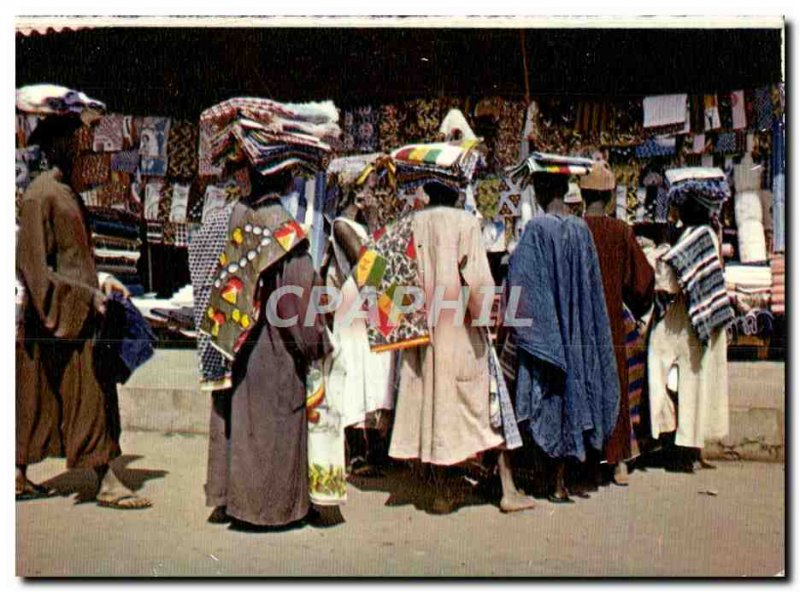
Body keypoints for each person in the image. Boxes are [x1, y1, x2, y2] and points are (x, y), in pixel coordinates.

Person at [16, 115, 151, 509]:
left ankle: (17, 474)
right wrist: (83, 297)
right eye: (71, 140)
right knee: (87, 397)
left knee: (41, 398)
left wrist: (102, 281)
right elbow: (33, 265)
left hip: (74, 311)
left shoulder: (64, 191)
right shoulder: (41, 195)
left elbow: (75, 256)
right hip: (61, 315)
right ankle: (106, 480)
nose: (78, 146)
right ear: (54, 145)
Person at [390, 181, 535, 514]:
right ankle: (508, 490)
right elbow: (478, 283)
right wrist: (488, 321)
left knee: (437, 407)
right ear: (456, 192)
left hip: (424, 332)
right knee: (490, 406)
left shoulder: (410, 224)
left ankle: (443, 491)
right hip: (461, 333)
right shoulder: (465, 223)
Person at [200, 168, 333, 528]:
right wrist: (317, 344)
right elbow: (298, 307)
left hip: (234, 343)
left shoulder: (235, 215)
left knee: (239, 423)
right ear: (286, 179)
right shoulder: (283, 229)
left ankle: (230, 500)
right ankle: (268, 510)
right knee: (273, 426)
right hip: (273, 351)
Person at [507, 172, 620, 503]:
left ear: (542, 192)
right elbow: (591, 288)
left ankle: (548, 478)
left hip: (549, 332)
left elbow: (520, 284)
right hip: (576, 332)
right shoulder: (580, 229)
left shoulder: (537, 229)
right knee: (571, 395)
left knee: (549, 396)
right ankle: (562, 479)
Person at [580, 161, 655, 485]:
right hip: (611, 324)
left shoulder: (574, 229)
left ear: (582, 196)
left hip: (580, 327)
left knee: (584, 388)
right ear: (611, 198)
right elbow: (642, 282)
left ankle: (583, 462)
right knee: (619, 387)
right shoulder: (621, 231)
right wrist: (638, 310)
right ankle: (619, 461)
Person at [323, 182, 394, 476]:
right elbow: (368, 265)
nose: (375, 195)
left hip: (370, 300)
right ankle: (357, 452)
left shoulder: (363, 226)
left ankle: (377, 448)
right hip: (356, 303)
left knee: (377, 373)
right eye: (370, 189)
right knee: (355, 373)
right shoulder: (341, 225)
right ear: (356, 193)